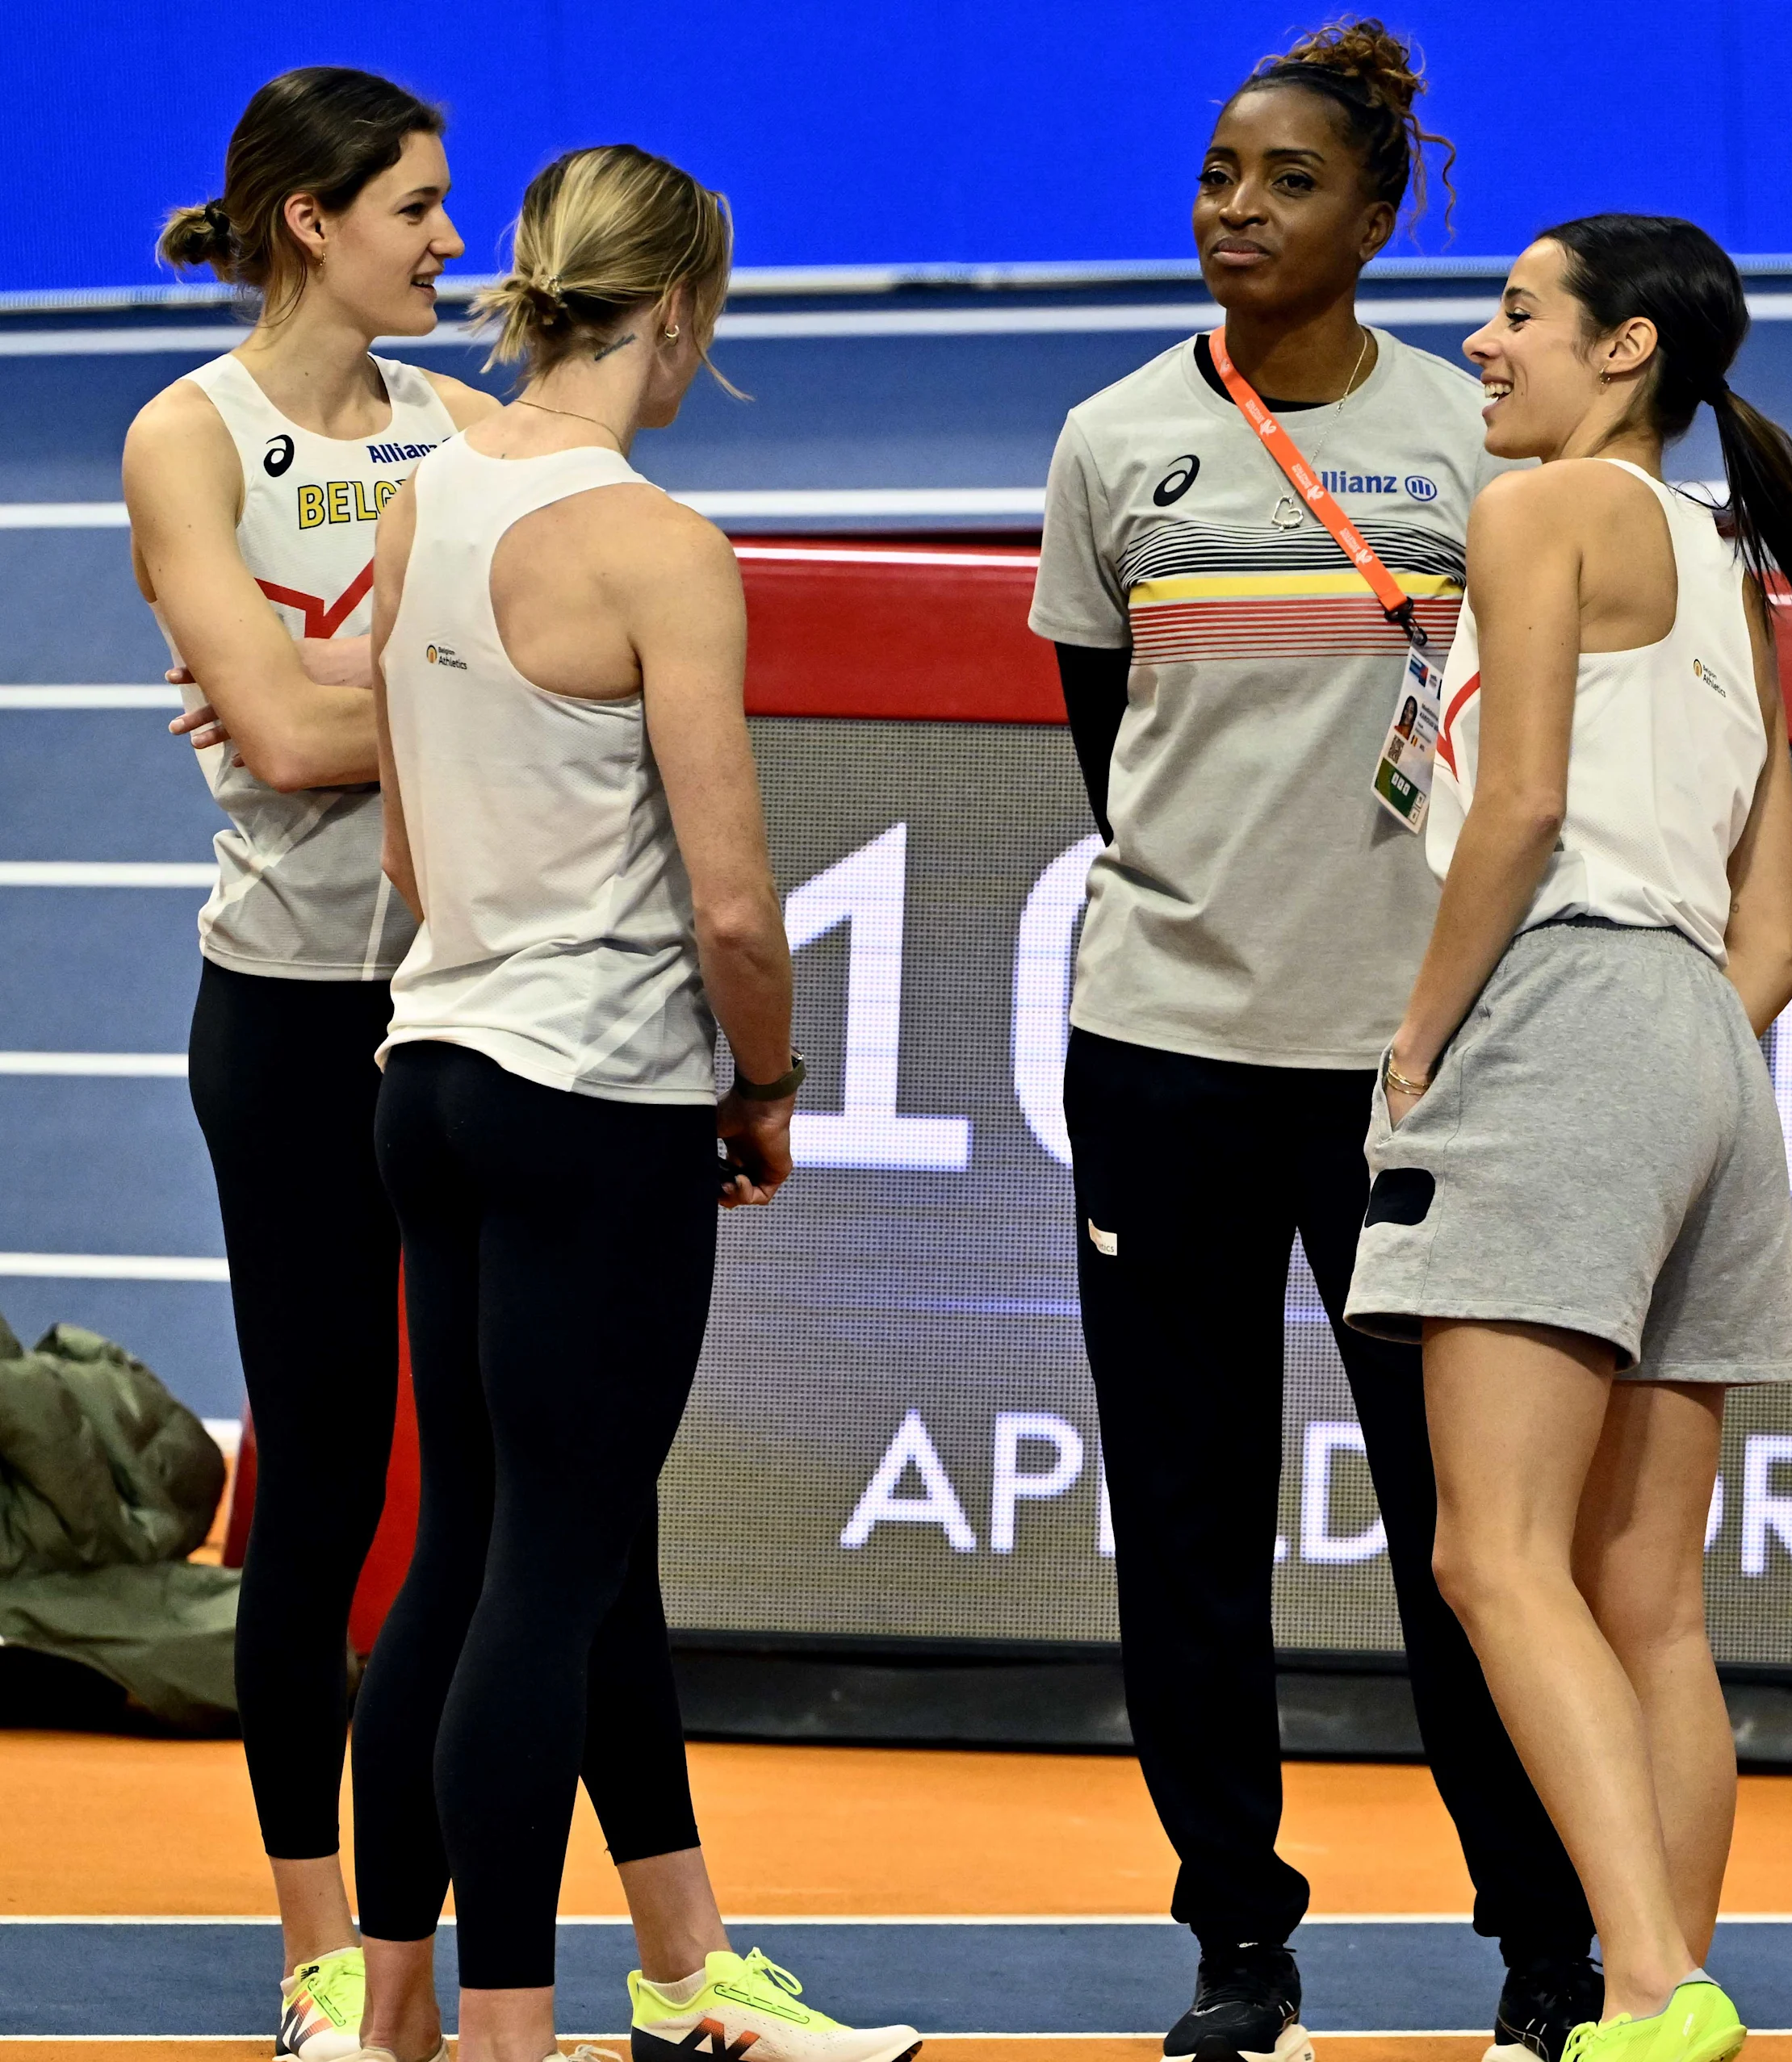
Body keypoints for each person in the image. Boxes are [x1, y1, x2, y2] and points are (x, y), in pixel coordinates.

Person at [1028, 20, 1599, 2062]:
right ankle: (1236, 1940)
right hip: (1166, 1048)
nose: (1234, 210)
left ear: (1376, 216)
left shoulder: (1485, 445)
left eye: (1282, 182)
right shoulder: (1113, 444)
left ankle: (1542, 1935)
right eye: (1215, 174)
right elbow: (1120, 757)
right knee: (1188, 1524)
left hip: (1411, 1064)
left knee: (1468, 1536)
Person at [350, 143, 919, 2062]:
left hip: (427, 1068)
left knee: (464, 1549)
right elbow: (738, 902)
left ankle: (404, 2009)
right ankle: (519, 2028)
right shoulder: (658, 545)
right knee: (556, 1570)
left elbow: (415, 848)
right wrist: (763, 1084)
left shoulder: (420, 490)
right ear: (677, 312)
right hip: (595, 1092)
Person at [1346, 215, 1792, 2062]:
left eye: (1514, 313)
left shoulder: (1536, 517)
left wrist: (1417, 1042)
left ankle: (1645, 1980)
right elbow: (1776, 942)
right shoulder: (1732, 563)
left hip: (1563, 1011)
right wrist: (1662, 1073)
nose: (1481, 343)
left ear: (1624, 347)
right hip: (1708, 1058)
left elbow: (1526, 806)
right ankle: (1679, 1984)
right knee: (1648, 1592)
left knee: (1494, 1553)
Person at [124, 65, 500, 2061]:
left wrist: (358, 687)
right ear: (312, 221)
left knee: (495, 1482)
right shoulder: (191, 435)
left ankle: (446, 1941)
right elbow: (274, 734)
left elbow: (584, 642)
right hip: (285, 1009)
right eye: (423, 207)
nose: (457, 242)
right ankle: (320, 1947)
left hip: (469, 1004)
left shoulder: (464, 425)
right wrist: (443, 690)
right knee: (329, 1470)